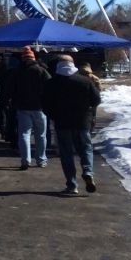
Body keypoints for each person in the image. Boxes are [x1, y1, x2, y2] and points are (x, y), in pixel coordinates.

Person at [44, 55, 101, 195]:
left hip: (62, 122)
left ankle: (72, 184)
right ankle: (88, 171)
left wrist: (53, 115)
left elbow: (45, 104)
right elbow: (96, 100)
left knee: (66, 153)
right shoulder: (85, 81)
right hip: (82, 122)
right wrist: (88, 111)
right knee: (86, 148)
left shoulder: (52, 83)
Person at [13, 46, 52, 170]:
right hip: (40, 106)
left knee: (24, 133)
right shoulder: (41, 70)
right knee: (41, 134)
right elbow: (50, 86)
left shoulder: (17, 71)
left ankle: (25, 160)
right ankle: (41, 159)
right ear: (33, 58)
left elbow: (10, 88)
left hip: (22, 106)